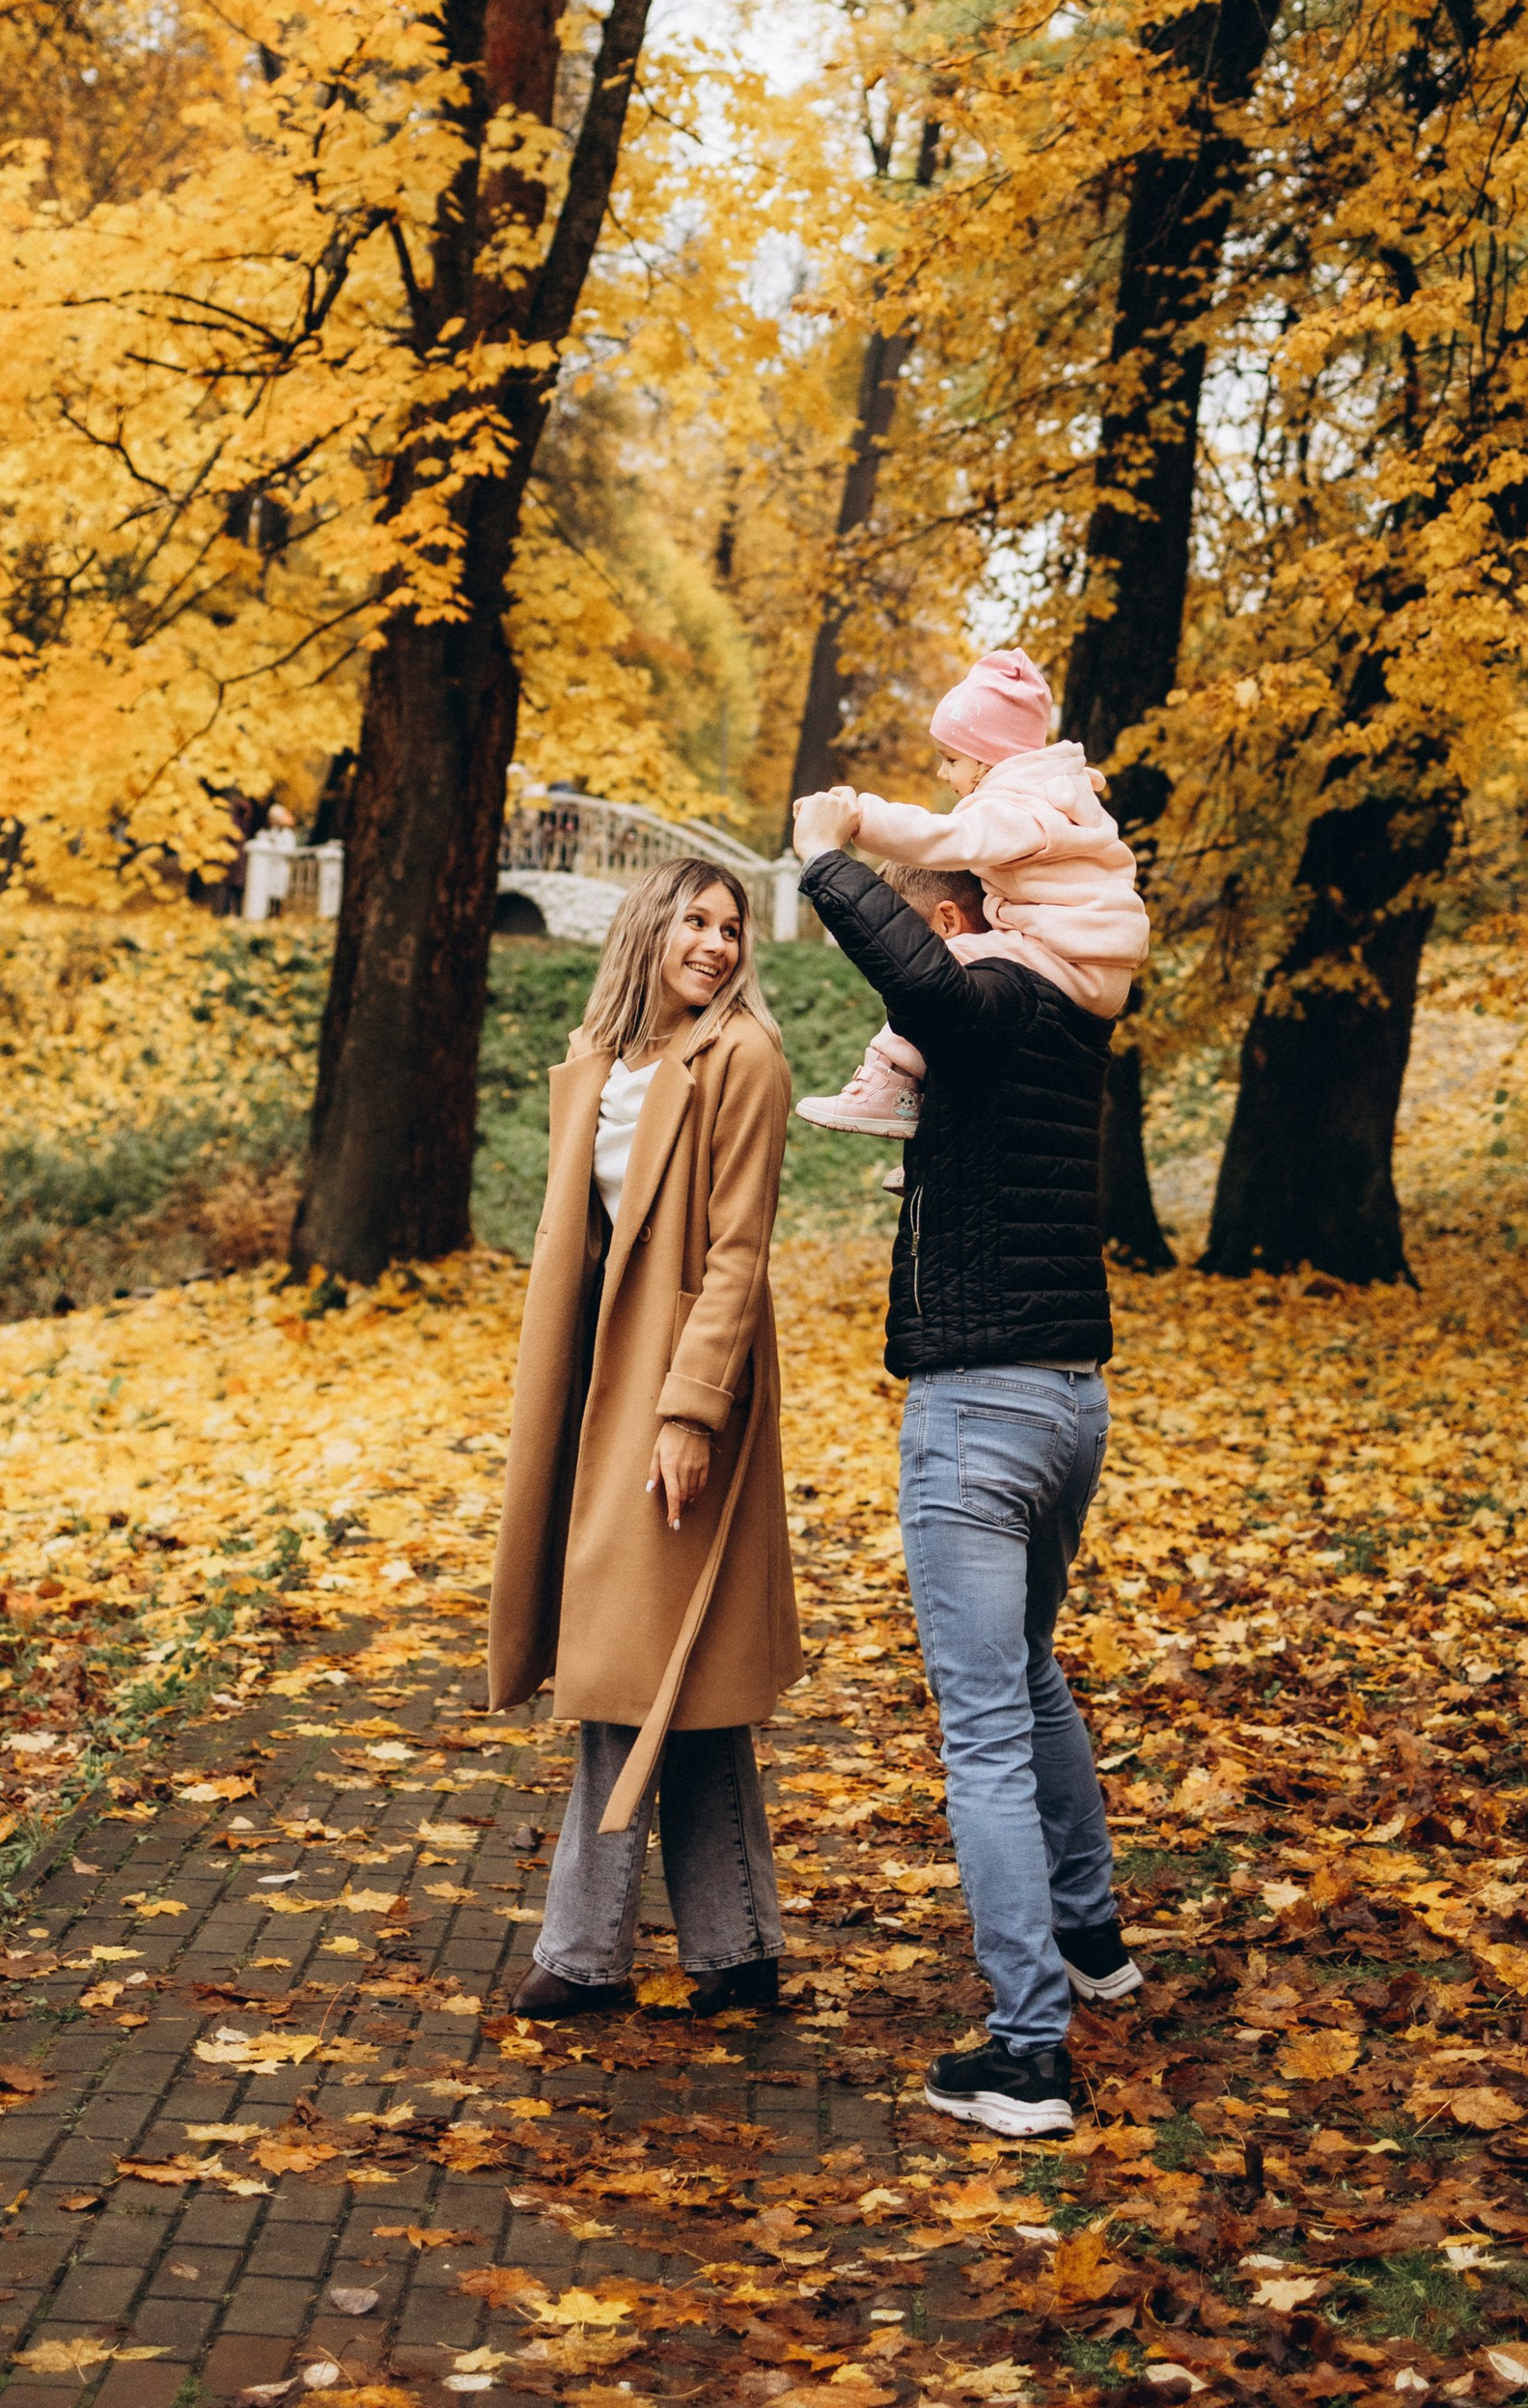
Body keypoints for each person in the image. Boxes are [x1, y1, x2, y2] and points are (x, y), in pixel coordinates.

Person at [791, 797, 1139, 2140]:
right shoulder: (1073, 1012)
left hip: (977, 1412)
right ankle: (1092, 1937)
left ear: (960, 917)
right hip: (1072, 1401)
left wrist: (827, 849)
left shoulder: (983, 995)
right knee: (1034, 1672)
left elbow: (915, 969)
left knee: (984, 1724)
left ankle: (1027, 2054)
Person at [487, 856, 802, 2019]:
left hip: (676, 1386)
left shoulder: (744, 1060)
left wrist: (691, 1410)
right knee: (689, 1660)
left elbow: (737, 1251)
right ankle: (737, 1949)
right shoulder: (603, 1061)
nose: (716, 944)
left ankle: (581, 1951)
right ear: (649, 926)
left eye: (731, 927)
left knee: (632, 1654)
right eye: (695, 920)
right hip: (595, 1382)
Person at [795, 645, 1147, 1141]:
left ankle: (891, 1087)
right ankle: (930, 1121)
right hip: (1088, 961)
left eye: (951, 759)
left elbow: (945, 838)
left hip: (1070, 958)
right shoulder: (1053, 801)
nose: (943, 773)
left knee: (943, 967)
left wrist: (860, 819)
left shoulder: (1018, 809)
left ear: (988, 761)